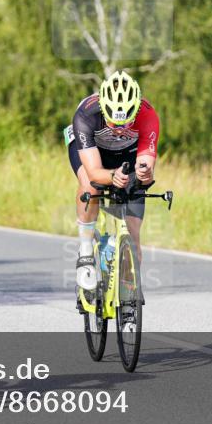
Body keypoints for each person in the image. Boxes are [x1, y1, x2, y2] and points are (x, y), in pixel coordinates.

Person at [67, 71, 159, 297]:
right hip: (93, 153)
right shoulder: (86, 114)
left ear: (135, 110)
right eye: (113, 122)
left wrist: (143, 174)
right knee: (90, 185)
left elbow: (146, 162)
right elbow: (95, 172)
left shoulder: (147, 115)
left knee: (134, 238)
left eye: (125, 122)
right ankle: (87, 251)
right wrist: (111, 177)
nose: (118, 128)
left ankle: (128, 304)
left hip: (125, 155)